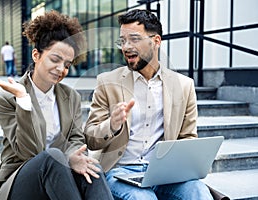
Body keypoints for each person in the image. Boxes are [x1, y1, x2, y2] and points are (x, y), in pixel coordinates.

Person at [84, 9, 214, 199]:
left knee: (199, 193)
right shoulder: (107, 82)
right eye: (123, 40)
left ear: (156, 41)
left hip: (166, 174)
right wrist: (111, 125)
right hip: (121, 172)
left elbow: (188, 137)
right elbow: (91, 138)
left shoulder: (184, 86)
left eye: (134, 39)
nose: (126, 47)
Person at [0, 10, 113, 200]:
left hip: (60, 180)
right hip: (18, 183)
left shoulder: (71, 97)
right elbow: (28, 151)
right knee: (51, 158)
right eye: (55, 59)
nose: (61, 69)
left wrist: (73, 157)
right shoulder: (5, 99)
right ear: (36, 55)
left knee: (92, 169)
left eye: (67, 64)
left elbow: (76, 140)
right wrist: (23, 100)